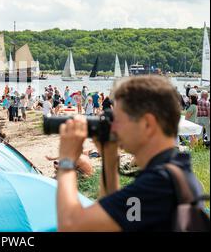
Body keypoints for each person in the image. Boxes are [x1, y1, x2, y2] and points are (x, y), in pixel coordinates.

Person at [56, 76, 206, 231]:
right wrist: (109, 158)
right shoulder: (175, 172)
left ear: (147, 124)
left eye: (118, 120)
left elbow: (70, 226)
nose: (113, 128)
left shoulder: (157, 185)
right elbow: (112, 222)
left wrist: (67, 160)